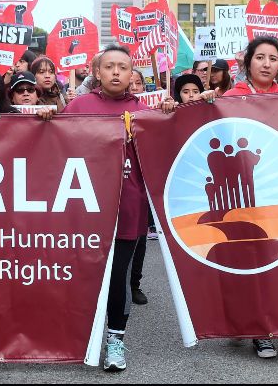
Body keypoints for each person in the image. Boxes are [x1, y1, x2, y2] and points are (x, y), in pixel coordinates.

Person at [61, 44, 173, 372]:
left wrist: (172, 114)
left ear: (131, 74)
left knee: (116, 278)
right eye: (109, 66)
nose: (115, 72)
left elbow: (167, 149)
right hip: (84, 209)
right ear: (97, 72)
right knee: (83, 274)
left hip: (128, 208)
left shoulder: (146, 112)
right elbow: (52, 145)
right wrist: (47, 116)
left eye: (122, 67)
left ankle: (115, 341)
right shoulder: (79, 106)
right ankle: (78, 336)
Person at [221, 35, 278, 359]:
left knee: (272, 264)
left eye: (273, 59)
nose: (266, 64)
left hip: (276, 194)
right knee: (243, 262)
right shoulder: (232, 98)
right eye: (260, 57)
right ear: (248, 62)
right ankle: (246, 323)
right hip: (240, 196)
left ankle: (264, 330)